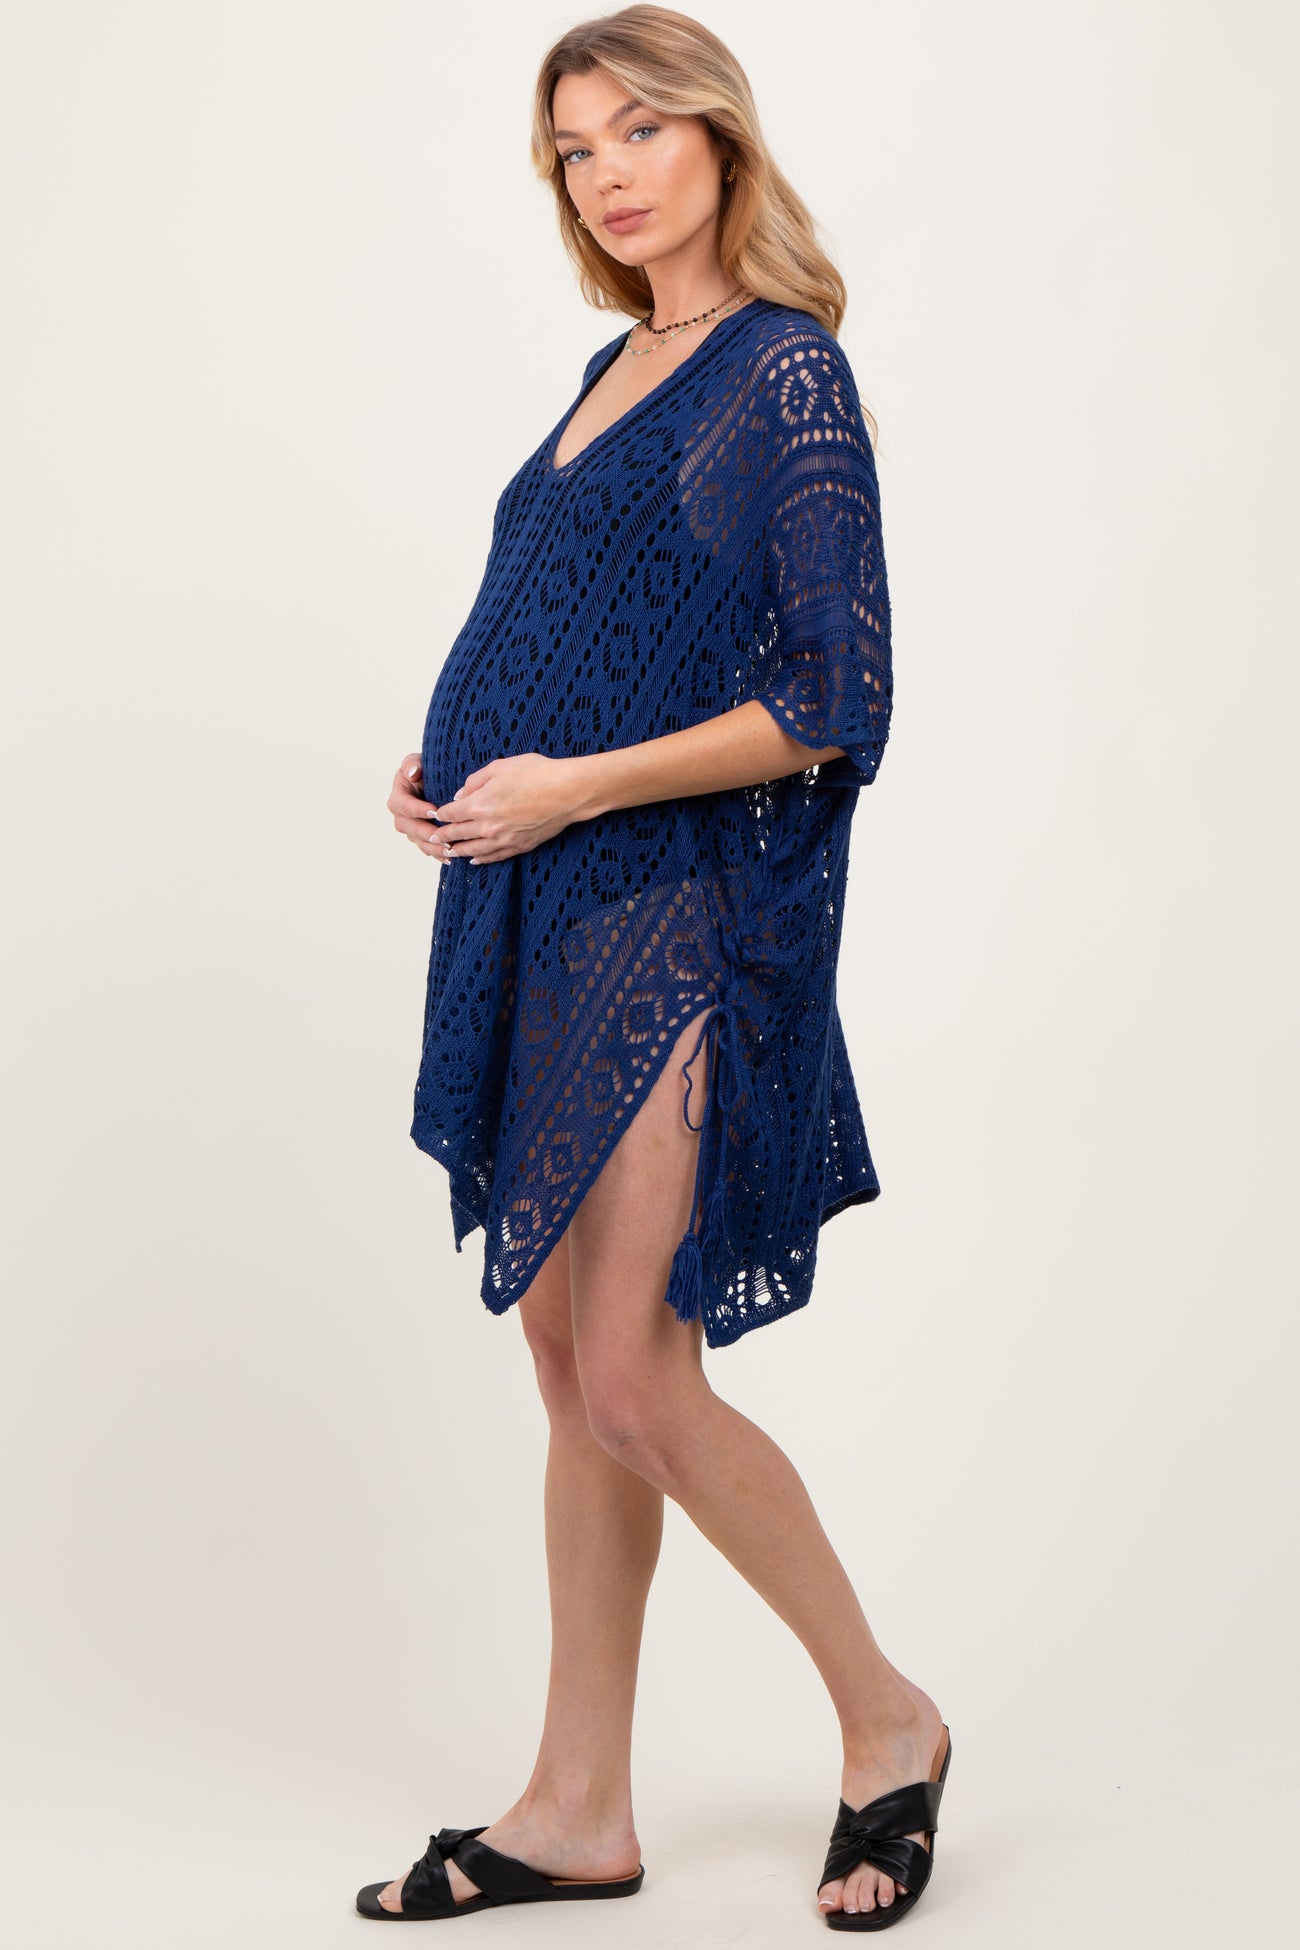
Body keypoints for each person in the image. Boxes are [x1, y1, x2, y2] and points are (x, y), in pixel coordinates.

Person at [357, 5, 951, 1933]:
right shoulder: (613, 364)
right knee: (566, 1367)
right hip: (540, 898)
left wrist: (574, 783)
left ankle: (889, 1718)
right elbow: (567, 617)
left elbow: (833, 697)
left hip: (677, 908)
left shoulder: (786, 374)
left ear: (718, 139)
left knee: (632, 1371)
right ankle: (578, 1804)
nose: (607, 172)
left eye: (637, 130)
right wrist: (456, 770)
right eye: (574, 148)